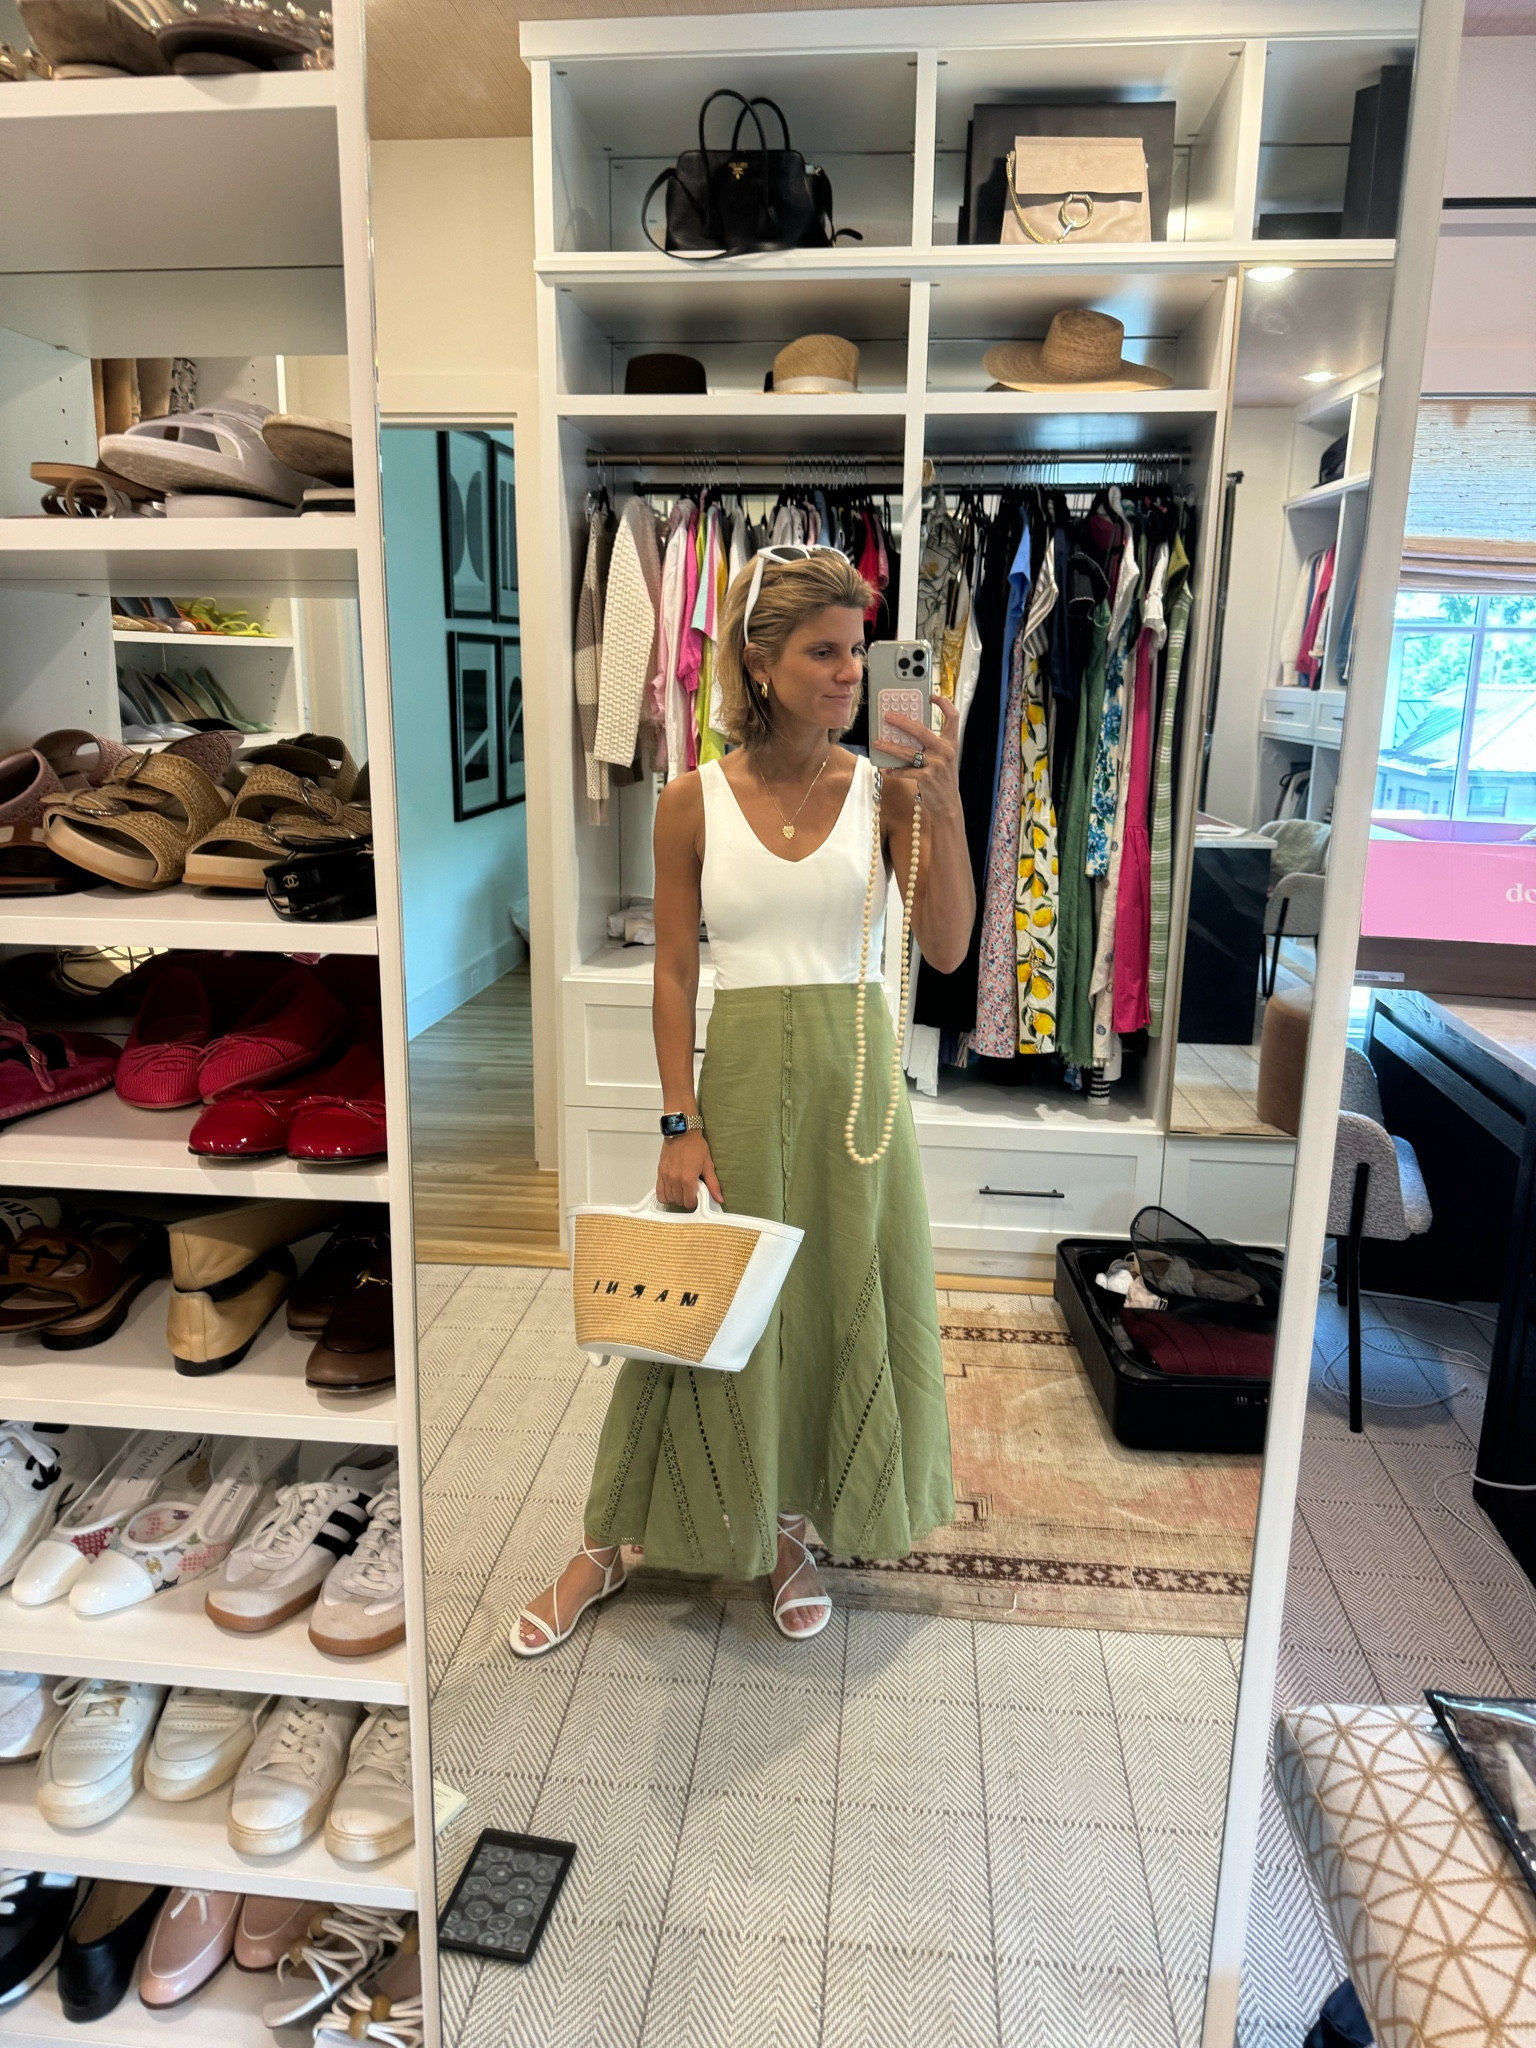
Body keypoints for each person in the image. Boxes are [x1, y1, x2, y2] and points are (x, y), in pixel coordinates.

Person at [512, 546, 976, 1656]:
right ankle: (608, 1537)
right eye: (824, 652)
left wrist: (945, 802)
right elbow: (674, 971)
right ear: (760, 664)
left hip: (857, 1091)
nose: (851, 673)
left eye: (858, 652)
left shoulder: (887, 792)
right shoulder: (690, 800)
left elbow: (949, 948)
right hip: (741, 1074)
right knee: (705, 1307)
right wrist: (678, 1121)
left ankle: (783, 1529)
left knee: (830, 1303)